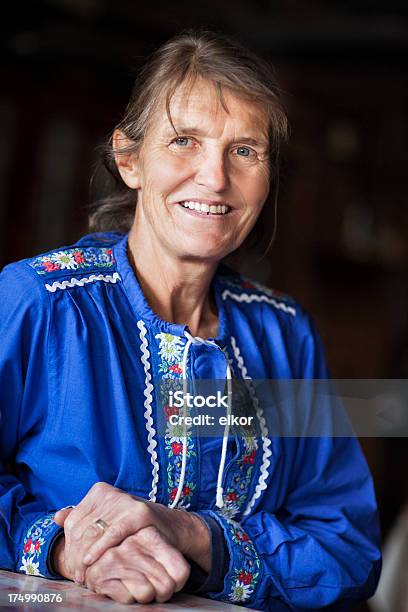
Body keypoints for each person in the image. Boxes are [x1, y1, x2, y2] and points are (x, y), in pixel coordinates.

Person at [0, 31, 381, 609]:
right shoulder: (40, 303)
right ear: (130, 159)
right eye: (184, 141)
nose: (215, 178)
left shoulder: (284, 336)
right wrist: (61, 547)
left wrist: (196, 536)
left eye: (245, 150)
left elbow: (347, 552)